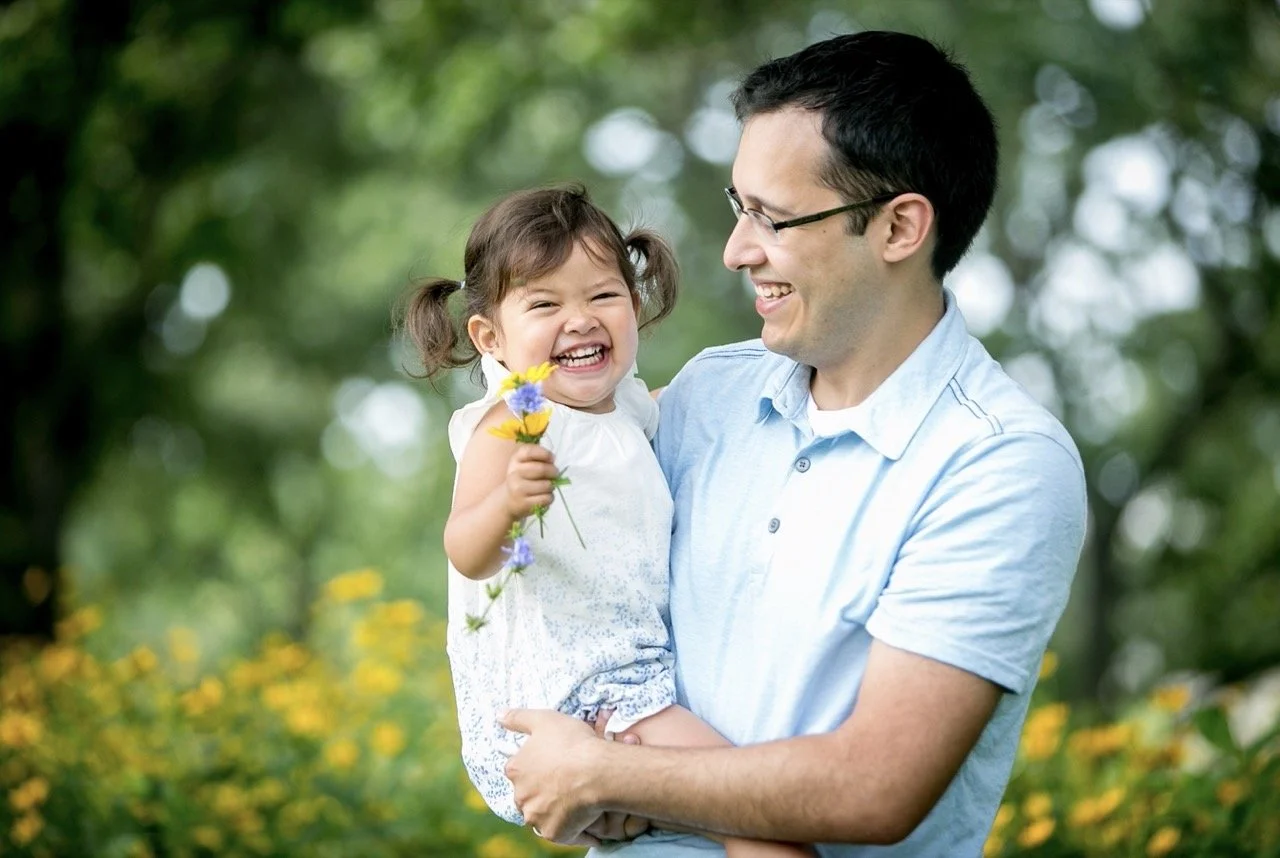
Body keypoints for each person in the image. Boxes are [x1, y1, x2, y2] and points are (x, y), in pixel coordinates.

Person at [498, 31, 1089, 857]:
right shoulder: (707, 395)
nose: (738, 251)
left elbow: (873, 785)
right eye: (740, 208)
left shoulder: (1000, 465)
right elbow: (556, 572)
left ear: (898, 228)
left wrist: (609, 775)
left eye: (772, 218)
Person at [401, 184, 813, 857]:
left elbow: (628, 447)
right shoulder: (511, 425)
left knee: (725, 822)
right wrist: (504, 505)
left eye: (602, 295)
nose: (581, 319)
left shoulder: (625, 408)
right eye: (544, 304)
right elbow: (464, 551)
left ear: (634, 303)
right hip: (582, 696)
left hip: (623, 682)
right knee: (763, 826)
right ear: (490, 337)